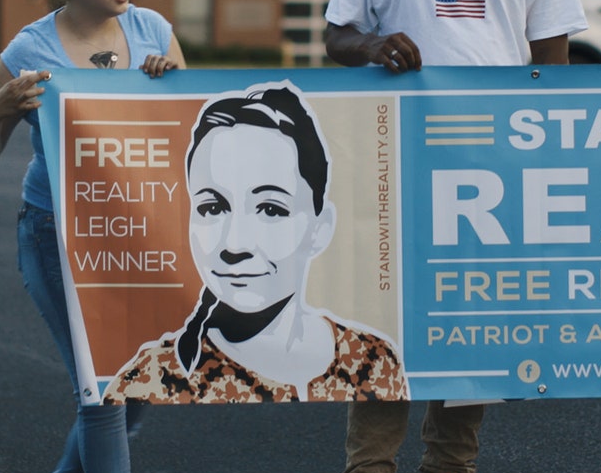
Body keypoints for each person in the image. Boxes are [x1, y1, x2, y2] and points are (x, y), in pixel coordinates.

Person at [324, 0, 588, 473]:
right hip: (399, 161)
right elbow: (335, 34)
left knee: (477, 321)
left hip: (495, 169)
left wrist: (539, 156)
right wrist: (374, 43)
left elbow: (552, 59)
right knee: (389, 324)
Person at [0, 0, 185, 473]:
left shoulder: (153, 30)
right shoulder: (27, 49)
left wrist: (172, 85)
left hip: (141, 230)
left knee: (146, 375)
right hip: (56, 231)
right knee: (105, 390)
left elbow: (194, 135)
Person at [103, 82, 408, 404]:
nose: (235, 245)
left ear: (320, 228)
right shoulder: (154, 377)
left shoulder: (372, 360)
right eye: (212, 208)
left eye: (271, 209)